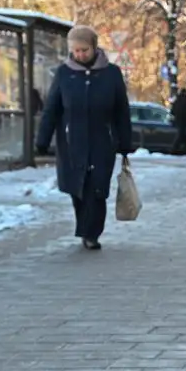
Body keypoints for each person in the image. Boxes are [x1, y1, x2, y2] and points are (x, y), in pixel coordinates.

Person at [36, 25, 132, 251]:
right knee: (78, 189)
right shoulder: (64, 73)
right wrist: (42, 139)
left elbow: (122, 111)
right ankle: (85, 228)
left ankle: (92, 234)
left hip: (102, 143)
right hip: (72, 143)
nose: (80, 55)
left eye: (84, 50)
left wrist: (125, 142)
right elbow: (51, 109)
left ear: (94, 47)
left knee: (97, 190)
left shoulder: (112, 73)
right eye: (76, 50)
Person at [170, 88, 186, 155]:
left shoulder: (176, 101)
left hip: (177, 121)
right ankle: (175, 150)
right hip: (184, 122)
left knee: (183, 136)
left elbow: (172, 112)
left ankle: (185, 150)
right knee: (181, 136)